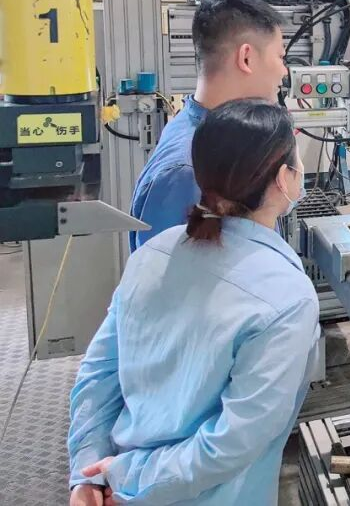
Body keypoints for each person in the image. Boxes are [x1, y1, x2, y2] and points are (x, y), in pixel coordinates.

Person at [69, 100, 320, 506]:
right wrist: (129, 478)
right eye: (296, 162)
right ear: (282, 179)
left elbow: (97, 374)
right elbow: (233, 441)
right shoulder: (287, 297)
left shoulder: (153, 254)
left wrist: (88, 472)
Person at [130, 0, 288, 250]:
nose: (284, 71)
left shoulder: (215, 137)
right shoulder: (187, 170)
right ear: (246, 58)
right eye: (280, 57)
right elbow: (171, 273)